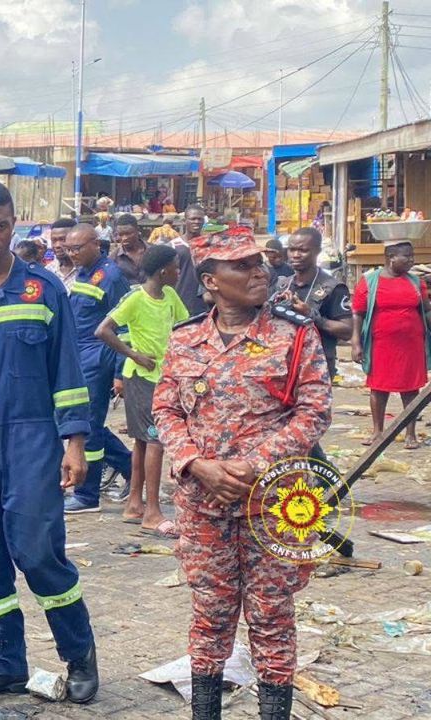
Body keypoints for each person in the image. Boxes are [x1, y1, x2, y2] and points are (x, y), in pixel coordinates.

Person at [153, 225, 331, 720]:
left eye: (260, 262)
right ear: (210, 280)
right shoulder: (185, 339)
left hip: (276, 503)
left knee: (272, 616)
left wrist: (256, 464)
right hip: (202, 504)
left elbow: (313, 412)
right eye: (243, 265)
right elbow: (165, 411)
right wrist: (196, 463)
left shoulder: (294, 335)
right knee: (210, 614)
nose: (260, 271)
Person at [0, 183, 98, 703]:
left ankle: (79, 656)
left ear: (14, 225)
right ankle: (3, 662)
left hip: (32, 440)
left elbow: (68, 372)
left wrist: (74, 443)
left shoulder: (43, 289)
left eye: (0, 226)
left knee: (37, 552)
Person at [95, 244, 190, 537]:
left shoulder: (170, 296)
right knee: (155, 440)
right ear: (163, 271)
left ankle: (135, 504)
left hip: (164, 375)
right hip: (142, 378)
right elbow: (103, 330)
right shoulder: (136, 298)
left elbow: (185, 325)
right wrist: (134, 354)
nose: (178, 272)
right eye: (176, 267)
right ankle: (152, 512)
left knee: (141, 442)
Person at [62, 224, 133, 514]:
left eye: (77, 248)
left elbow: (124, 326)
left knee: (88, 425)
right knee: (87, 423)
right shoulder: (83, 272)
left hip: (98, 360)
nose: (71, 253)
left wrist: (120, 372)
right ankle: (130, 466)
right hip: (79, 357)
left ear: (96, 244)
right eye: (68, 248)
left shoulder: (111, 276)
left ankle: (87, 495)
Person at [351, 240, 431, 449]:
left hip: (411, 345)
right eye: (407, 256)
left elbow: (426, 310)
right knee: (378, 388)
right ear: (391, 258)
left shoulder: (416, 282)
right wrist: (356, 343)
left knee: (411, 389)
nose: (412, 260)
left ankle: (410, 433)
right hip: (381, 344)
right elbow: (358, 314)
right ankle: (378, 432)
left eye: (412, 255)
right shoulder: (369, 282)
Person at [276, 227, 352, 383]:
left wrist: (311, 315)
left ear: (317, 251)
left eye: (303, 250)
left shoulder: (333, 287)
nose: (296, 255)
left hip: (317, 364)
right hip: (283, 362)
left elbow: (347, 331)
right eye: (292, 250)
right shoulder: (282, 284)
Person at [171, 204, 210, 317]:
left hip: (203, 304)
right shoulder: (173, 246)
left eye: (200, 219)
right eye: (193, 219)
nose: (196, 222)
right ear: (185, 221)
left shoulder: (209, 245)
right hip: (180, 301)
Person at [113, 213, 148, 285]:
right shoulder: (113, 258)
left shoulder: (153, 252)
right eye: (121, 234)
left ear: (137, 231)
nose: (124, 238)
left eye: (128, 233)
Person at [45, 217, 78, 290]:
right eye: (54, 240)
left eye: (62, 240)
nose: (57, 245)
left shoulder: (87, 271)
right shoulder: (48, 271)